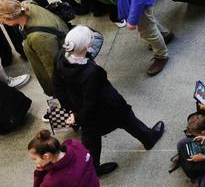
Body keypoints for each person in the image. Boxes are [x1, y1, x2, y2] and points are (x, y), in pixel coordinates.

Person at [53, 25, 165, 173]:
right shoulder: (90, 73)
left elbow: (56, 83)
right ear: (86, 46)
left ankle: (92, 168)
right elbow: (91, 102)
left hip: (79, 107)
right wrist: (78, 117)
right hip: (106, 106)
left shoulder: (60, 56)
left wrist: (71, 111)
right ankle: (149, 138)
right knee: (127, 118)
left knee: (90, 138)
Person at [0, 0, 67, 97]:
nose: (2, 23)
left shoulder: (38, 38)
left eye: (2, 21)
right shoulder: (28, 5)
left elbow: (52, 66)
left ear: (11, 18)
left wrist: (58, 90)